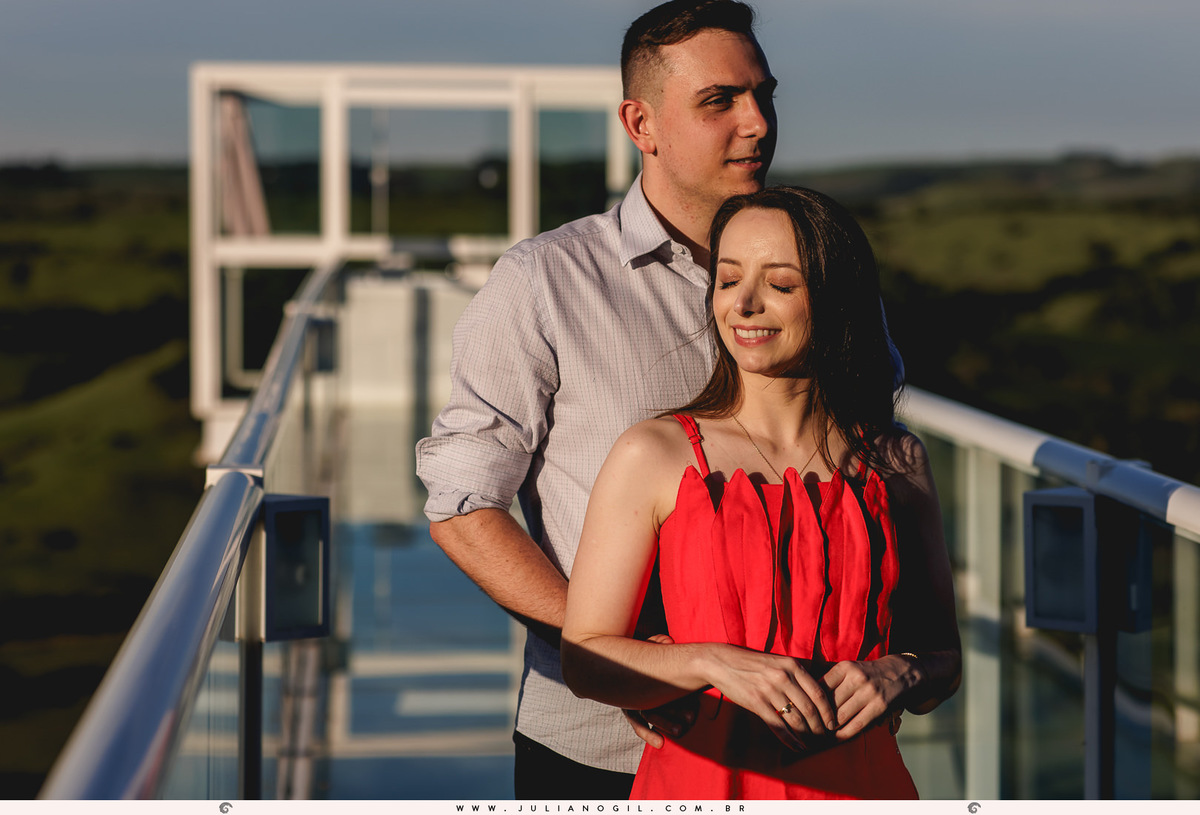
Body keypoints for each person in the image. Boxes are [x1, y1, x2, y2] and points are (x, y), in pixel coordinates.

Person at [415, 0, 777, 798]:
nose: (757, 123)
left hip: (798, 745)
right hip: (604, 751)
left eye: (763, 95)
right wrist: (628, 657)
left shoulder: (824, 275)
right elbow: (463, 508)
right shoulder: (544, 282)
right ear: (641, 124)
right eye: (719, 100)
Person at [561, 186, 962, 800]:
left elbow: (944, 659)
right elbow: (585, 659)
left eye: (780, 284)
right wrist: (708, 662)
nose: (743, 304)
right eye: (727, 280)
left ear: (836, 299)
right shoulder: (653, 454)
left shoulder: (895, 460)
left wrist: (901, 673)